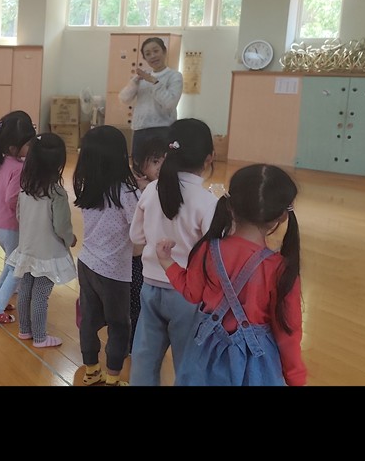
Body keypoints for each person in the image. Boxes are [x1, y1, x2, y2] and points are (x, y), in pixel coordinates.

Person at [156, 163, 305, 386]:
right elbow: (288, 332)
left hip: (205, 356)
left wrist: (167, 262)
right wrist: (295, 378)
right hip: (255, 365)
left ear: (230, 206)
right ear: (282, 216)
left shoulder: (207, 249)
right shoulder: (280, 269)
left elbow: (192, 292)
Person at [129, 118, 217, 386]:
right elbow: (215, 253)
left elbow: (136, 237)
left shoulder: (151, 189)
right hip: (188, 294)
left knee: (144, 357)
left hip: (150, 286)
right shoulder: (207, 201)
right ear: (209, 158)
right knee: (188, 362)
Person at [72, 125, 138, 385]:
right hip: (113, 271)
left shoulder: (87, 185)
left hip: (87, 262)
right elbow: (138, 231)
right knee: (119, 324)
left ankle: (91, 370)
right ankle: (113, 378)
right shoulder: (127, 192)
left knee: (88, 320)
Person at [6, 132, 77, 348]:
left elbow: (19, 215)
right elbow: (61, 226)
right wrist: (70, 238)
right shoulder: (56, 192)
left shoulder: (26, 188)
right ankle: (40, 337)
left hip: (27, 248)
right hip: (48, 253)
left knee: (26, 289)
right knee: (40, 295)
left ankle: (24, 330)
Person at [0, 111, 36, 324]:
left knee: (10, 263)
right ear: (14, 147)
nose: (31, 148)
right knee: (17, 267)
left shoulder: (1, 162)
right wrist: (26, 214)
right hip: (12, 225)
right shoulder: (20, 168)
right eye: (28, 144)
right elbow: (13, 198)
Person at [117, 36, 184, 173]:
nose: (153, 56)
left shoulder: (174, 76)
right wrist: (134, 83)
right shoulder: (142, 77)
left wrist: (154, 82)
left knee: (160, 170)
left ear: (164, 52)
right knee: (138, 169)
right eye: (148, 54)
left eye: (156, 51)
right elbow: (124, 98)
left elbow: (170, 103)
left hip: (163, 130)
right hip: (140, 130)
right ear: (145, 58)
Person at [127, 136, 168, 353]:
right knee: (136, 303)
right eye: (154, 162)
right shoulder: (136, 190)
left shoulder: (160, 187)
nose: (160, 167)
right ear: (140, 165)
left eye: (164, 161)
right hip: (137, 257)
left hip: (153, 257)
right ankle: (133, 344)